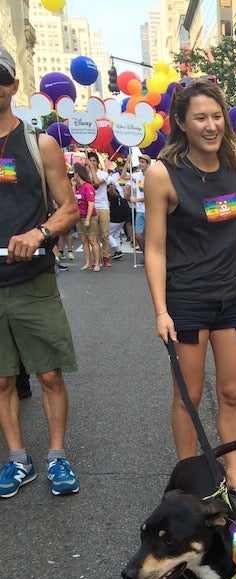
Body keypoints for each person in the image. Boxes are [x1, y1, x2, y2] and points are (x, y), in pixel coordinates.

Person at [144, 79, 236, 505]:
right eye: (200, 117)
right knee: (189, 397)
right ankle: (189, 482)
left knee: (233, 393)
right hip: (187, 302)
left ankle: (233, 472)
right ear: (180, 122)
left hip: (232, 297)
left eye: (217, 116)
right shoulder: (162, 173)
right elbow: (155, 248)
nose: (211, 125)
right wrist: (161, 309)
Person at [0, 45, 81, 498]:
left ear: (13, 86)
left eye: (0, 77)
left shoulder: (39, 143)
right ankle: (17, 459)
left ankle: (56, 456)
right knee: (2, 378)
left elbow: (69, 208)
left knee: (49, 374)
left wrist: (38, 233)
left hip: (32, 281)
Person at [73, 163, 100, 271]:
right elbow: (73, 199)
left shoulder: (87, 186)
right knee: (84, 241)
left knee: (92, 240)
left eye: (74, 172)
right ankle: (88, 262)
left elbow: (91, 204)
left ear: (77, 173)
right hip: (80, 217)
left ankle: (97, 263)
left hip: (89, 217)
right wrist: (73, 186)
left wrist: (88, 219)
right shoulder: (79, 187)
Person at [86, 150, 111, 266]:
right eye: (90, 161)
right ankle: (96, 258)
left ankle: (106, 256)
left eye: (94, 161)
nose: (92, 163)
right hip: (91, 207)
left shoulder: (103, 174)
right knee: (93, 235)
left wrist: (92, 170)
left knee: (104, 233)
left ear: (97, 162)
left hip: (103, 206)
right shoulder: (85, 175)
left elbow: (96, 182)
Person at [125, 154, 149, 251]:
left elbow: (150, 196)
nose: (140, 164)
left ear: (148, 164)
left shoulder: (151, 176)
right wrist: (127, 161)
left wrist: (137, 200)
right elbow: (123, 176)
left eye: (143, 162)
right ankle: (145, 253)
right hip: (140, 210)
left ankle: (149, 255)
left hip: (149, 210)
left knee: (149, 235)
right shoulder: (137, 175)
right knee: (138, 235)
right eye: (140, 162)